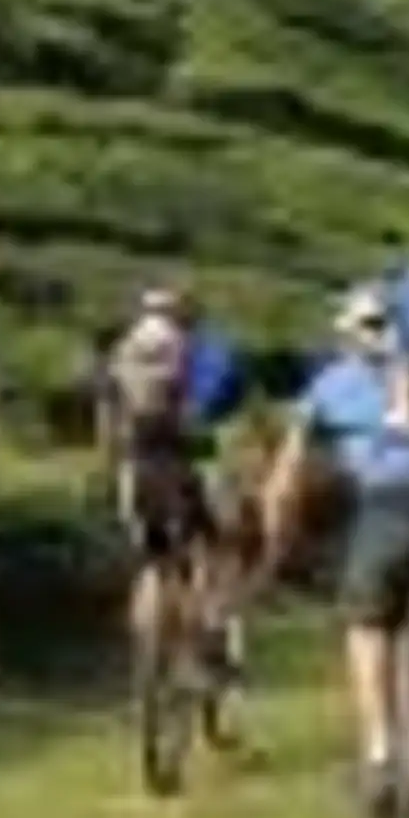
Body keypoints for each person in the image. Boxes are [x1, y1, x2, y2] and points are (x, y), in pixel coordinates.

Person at [257, 268, 409, 818]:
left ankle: (381, 751)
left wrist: (276, 543)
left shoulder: (336, 381)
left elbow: (285, 478)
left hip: (389, 515)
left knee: (366, 624)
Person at [97, 281, 249, 675]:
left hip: (137, 468)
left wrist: (111, 466)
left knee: (152, 560)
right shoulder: (209, 352)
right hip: (194, 466)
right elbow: (231, 406)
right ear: (189, 316)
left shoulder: (122, 352)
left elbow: (106, 418)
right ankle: (213, 633)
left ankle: (146, 650)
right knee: (219, 546)